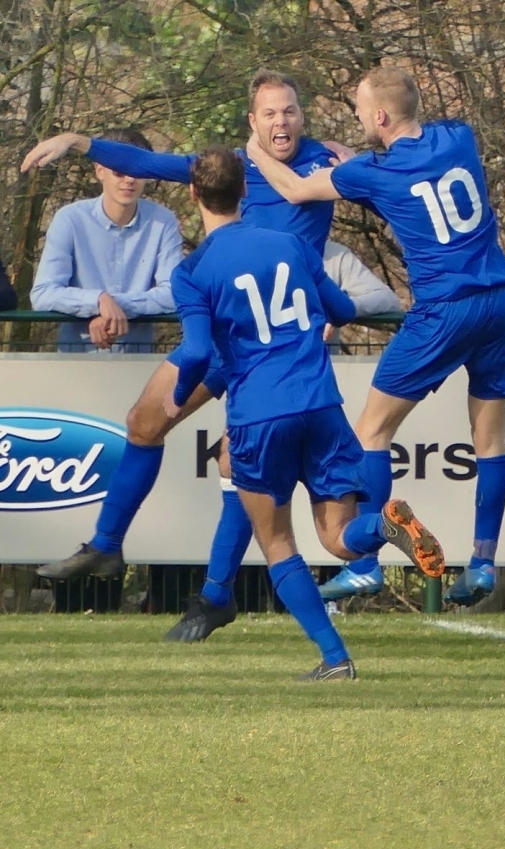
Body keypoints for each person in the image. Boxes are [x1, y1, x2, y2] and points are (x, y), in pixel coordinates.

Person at [20, 70, 341, 640]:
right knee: (144, 423)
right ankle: (108, 546)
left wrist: (375, 150)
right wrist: (79, 143)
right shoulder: (234, 169)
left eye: (289, 111)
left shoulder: (325, 167)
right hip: (220, 338)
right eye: (270, 113)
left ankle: (216, 595)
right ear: (253, 120)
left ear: (302, 115)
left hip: (270, 353)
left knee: (233, 464)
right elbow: (150, 163)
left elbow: (401, 184)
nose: (281, 122)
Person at [246, 65, 505, 609]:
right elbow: (409, 192)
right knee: (489, 441)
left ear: (378, 116)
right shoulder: (458, 137)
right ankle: (485, 563)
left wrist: (253, 151)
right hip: (503, 302)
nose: (354, 117)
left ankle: (367, 566)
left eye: (357, 109)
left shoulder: (372, 171)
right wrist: (357, 168)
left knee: (371, 432)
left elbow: (296, 188)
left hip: (446, 309)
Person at [165, 145, 443, 679]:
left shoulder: (194, 270)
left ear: (195, 194)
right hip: (319, 403)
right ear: (246, 191)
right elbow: (340, 308)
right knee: (339, 538)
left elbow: (198, 353)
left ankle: (335, 659)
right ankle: (382, 525)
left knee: (278, 543)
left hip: (258, 416)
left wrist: (179, 397)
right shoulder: (289, 242)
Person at [30, 128, 182, 353]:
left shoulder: (163, 221)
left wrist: (116, 307)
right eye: (120, 172)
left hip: (137, 362)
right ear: (99, 170)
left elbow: (174, 293)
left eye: (138, 172)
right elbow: (43, 293)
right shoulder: (70, 219)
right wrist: (98, 301)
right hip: (76, 363)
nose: (130, 180)